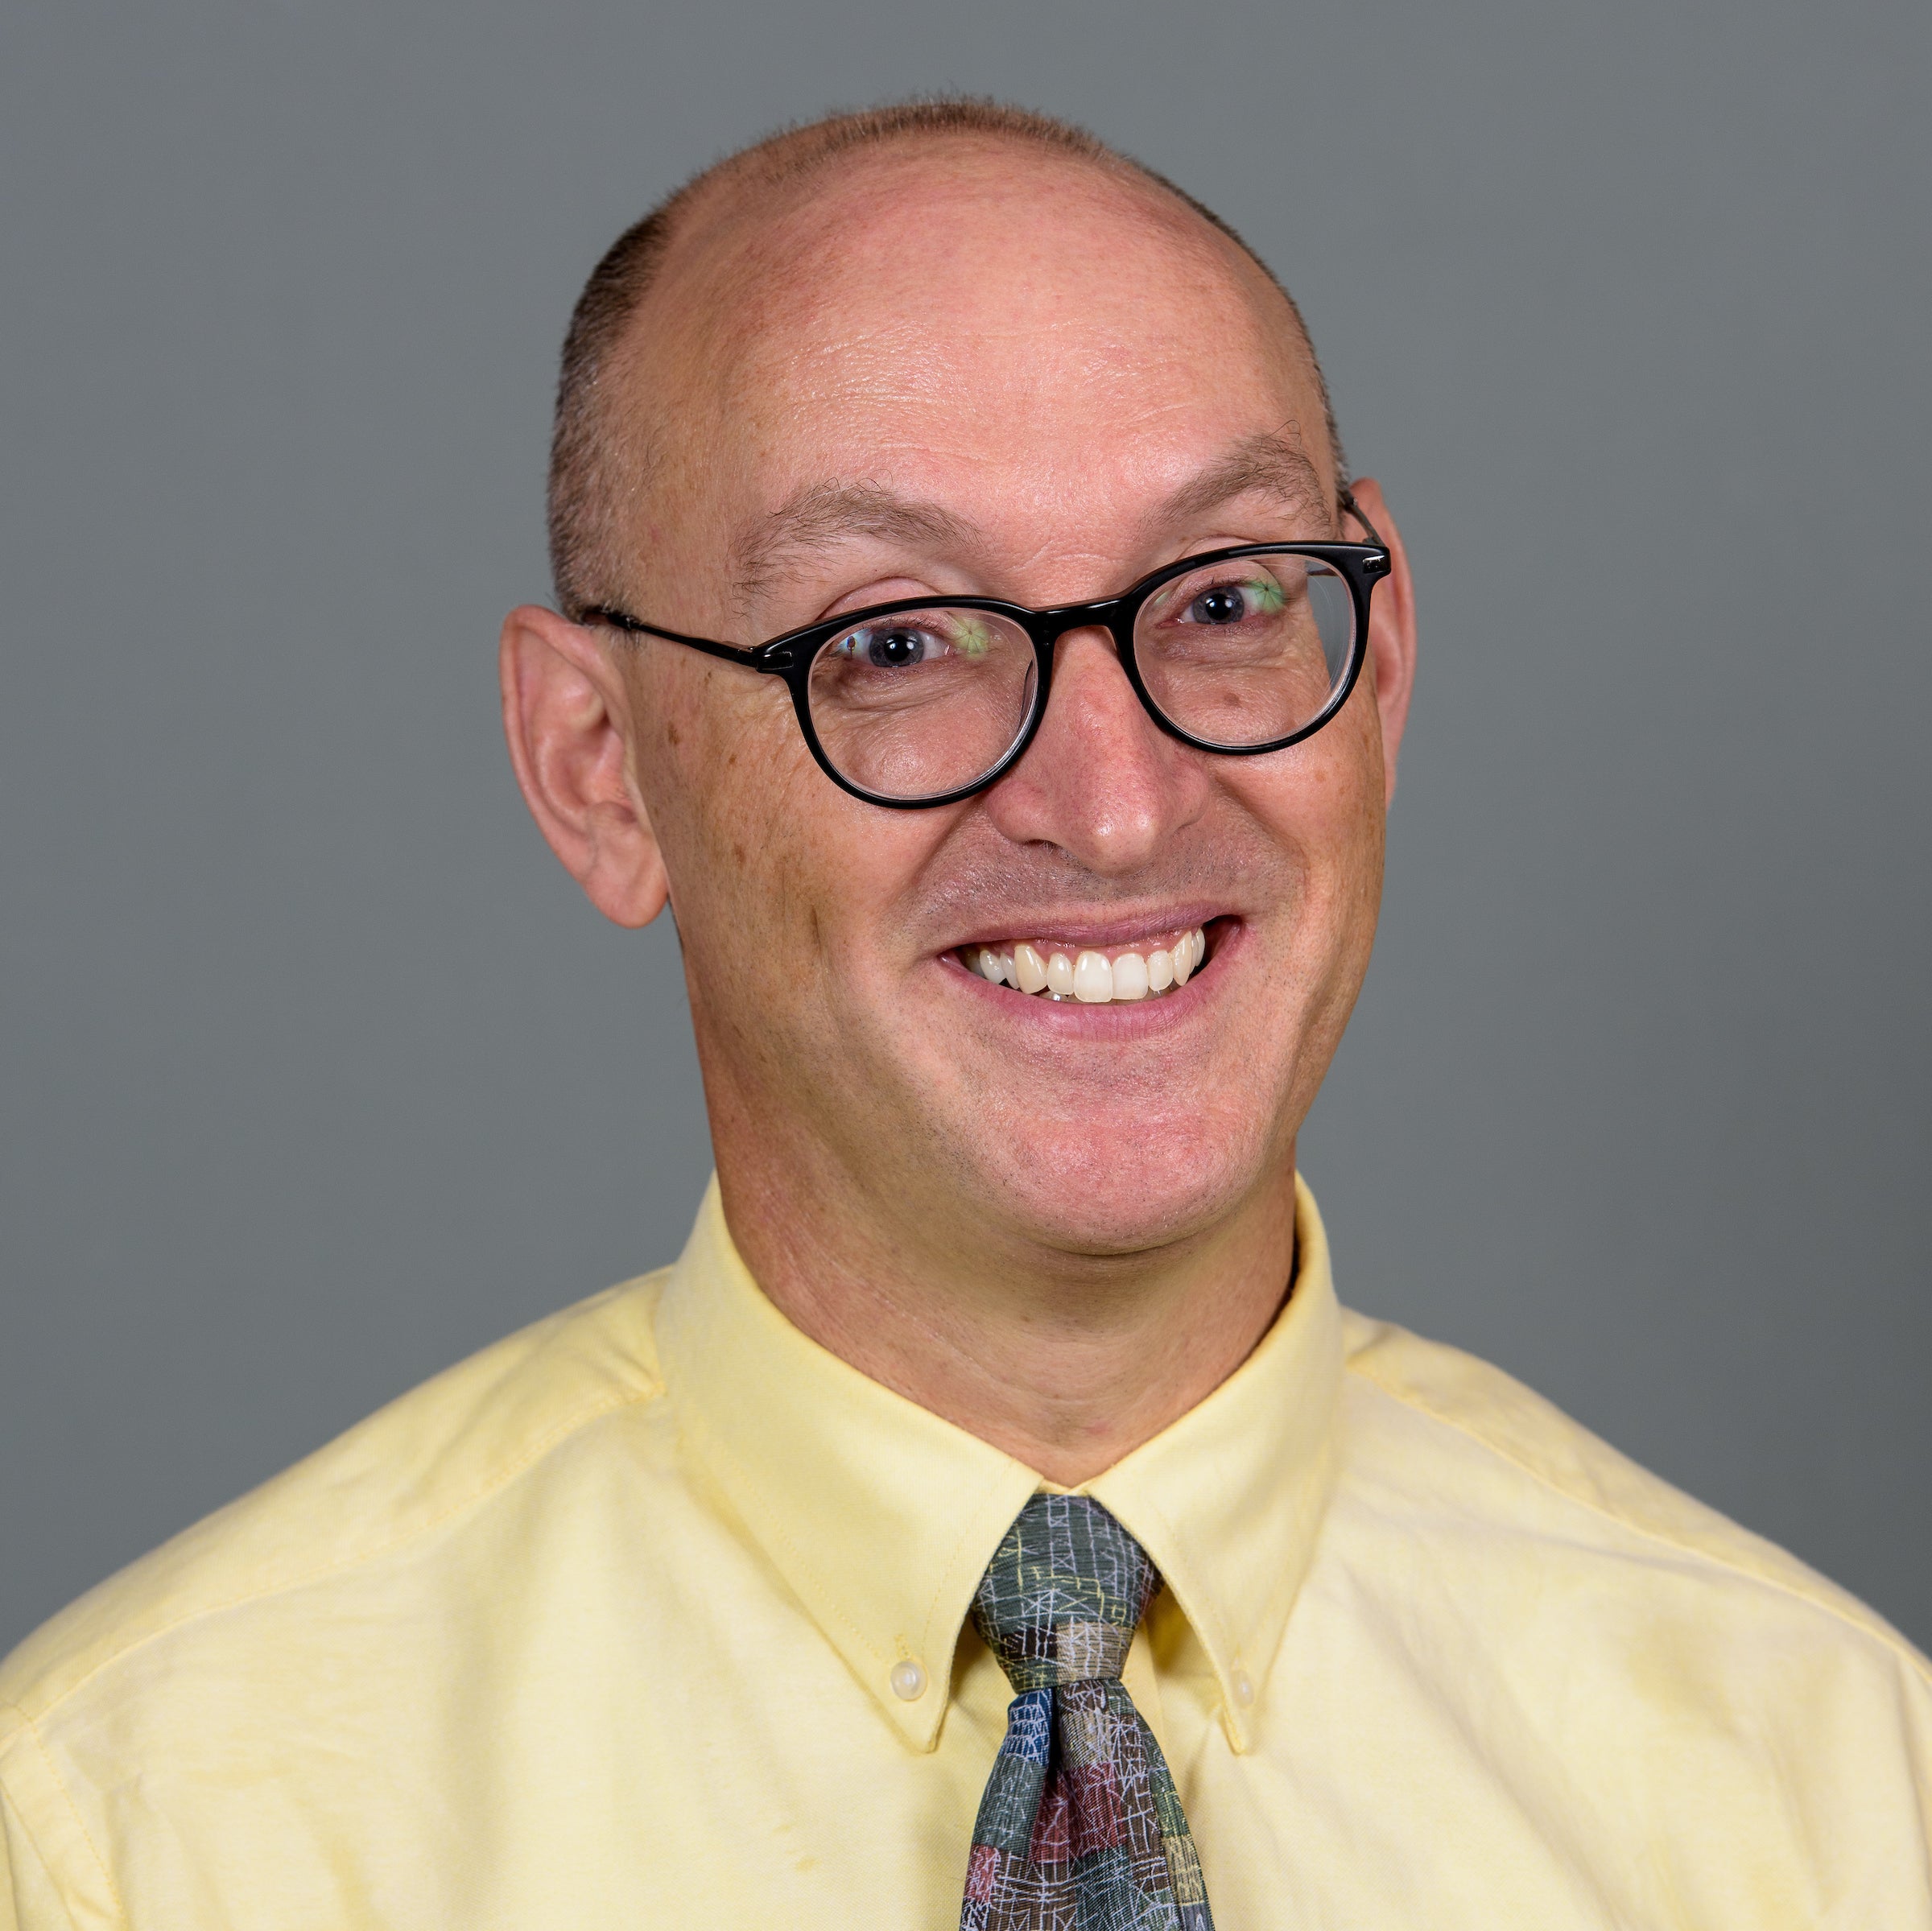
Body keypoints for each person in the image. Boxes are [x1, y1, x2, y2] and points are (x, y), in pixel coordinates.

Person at [2, 97, 1926, 1930]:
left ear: (1384, 664)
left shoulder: (1834, 1790)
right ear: (600, 765)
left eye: (1229, 600)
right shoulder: (143, 1831)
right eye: (896, 642)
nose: (1113, 801)